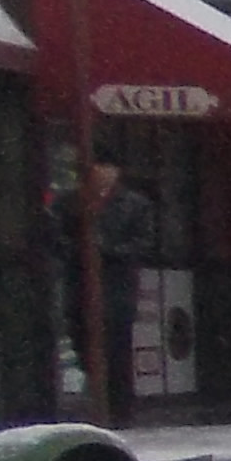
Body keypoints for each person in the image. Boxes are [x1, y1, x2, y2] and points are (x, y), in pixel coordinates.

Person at [85, 147, 159, 423]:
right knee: (87, 343)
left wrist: (111, 250)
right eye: (97, 167)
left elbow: (144, 242)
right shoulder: (78, 201)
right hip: (83, 284)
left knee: (117, 346)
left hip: (117, 284)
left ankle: (120, 408)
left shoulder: (134, 204)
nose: (101, 173)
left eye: (106, 167)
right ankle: (97, 402)